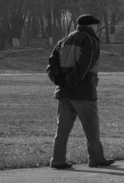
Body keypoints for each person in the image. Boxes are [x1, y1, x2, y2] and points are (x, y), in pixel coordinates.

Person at [46, 14, 114, 169]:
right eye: (95, 26)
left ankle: (57, 160)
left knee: (62, 130)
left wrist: (60, 81)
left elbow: (51, 63)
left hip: (63, 93)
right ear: (90, 26)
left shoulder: (64, 40)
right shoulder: (90, 40)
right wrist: (72, 82)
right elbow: (86, 64)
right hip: (83, 91)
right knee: (91, 128)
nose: (97, 29)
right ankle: (96, 158)